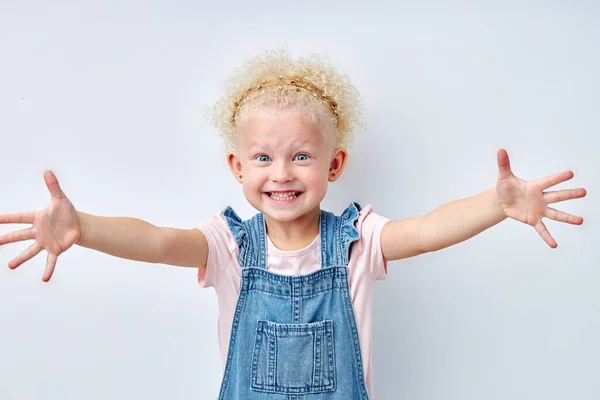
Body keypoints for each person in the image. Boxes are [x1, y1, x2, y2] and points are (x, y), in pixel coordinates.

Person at [0, 49, 587, 399]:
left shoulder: (359, 241)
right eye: (263, 157)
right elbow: (156, 241)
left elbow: (429, 228)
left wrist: (495, 204)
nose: (282, 173)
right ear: (237, 166)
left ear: (334, 165)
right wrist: (85, 227)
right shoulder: (227, 245)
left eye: (301, 156)